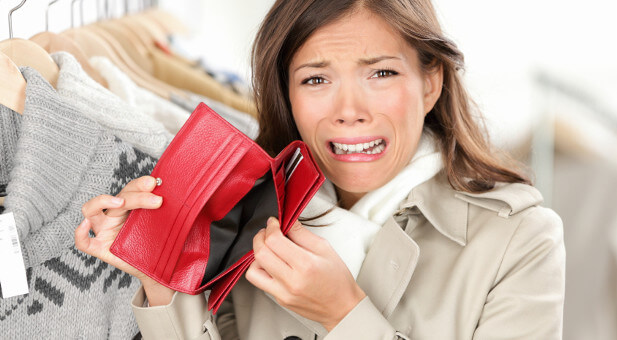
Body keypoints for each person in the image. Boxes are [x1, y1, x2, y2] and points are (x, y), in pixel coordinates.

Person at [75, 0, 565, 339]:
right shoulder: (248, 211)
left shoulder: (519, 239)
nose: (349, 109)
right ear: (286, 94)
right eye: (316, 79)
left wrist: (343, 315)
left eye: (381, 73)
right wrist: (158, 270)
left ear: (431, 82)